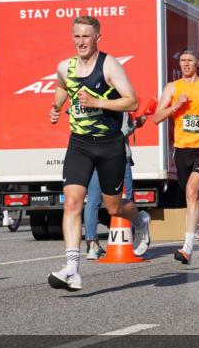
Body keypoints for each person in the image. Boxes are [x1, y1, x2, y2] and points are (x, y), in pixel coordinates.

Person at [48, 15, 151, 291]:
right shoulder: (64, 67)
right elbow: (61, 87)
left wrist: (97, 101)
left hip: (109, 145)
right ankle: (72, 268)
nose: (81, 42)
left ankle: (140, 221)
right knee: (72, 201)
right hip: (80, 143)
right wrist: (57, 106)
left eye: (86, 36)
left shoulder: (109, 65)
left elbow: (131, 100)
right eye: (77, 36)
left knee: (114, 206)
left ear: (97, 38)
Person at [152, 48, 199, 264]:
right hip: (182, 148)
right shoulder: (172, 88)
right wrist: (176, 105)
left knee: (192, 190)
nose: (185, 64)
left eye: (190, 61)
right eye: (183, 60)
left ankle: (187, 248)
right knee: (191, 197)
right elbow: (157, 118)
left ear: (198, 63)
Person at [84, 112, 145, 260]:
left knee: (92, 201)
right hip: (118, 156)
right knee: (126, 198)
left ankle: (92, 246)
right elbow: (123, 131)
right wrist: (136, 123)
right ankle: (129, 242)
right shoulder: (118, 102)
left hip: (95, 156)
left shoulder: (92, 103)